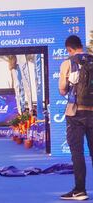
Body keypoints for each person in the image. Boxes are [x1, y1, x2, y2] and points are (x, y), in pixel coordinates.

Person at [58, 35, 92, 201]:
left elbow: (62, 90)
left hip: (75, 113)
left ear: (69, 49)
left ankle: (80, 190)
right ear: (81, 46)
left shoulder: (67, 63)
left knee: (77, 154)